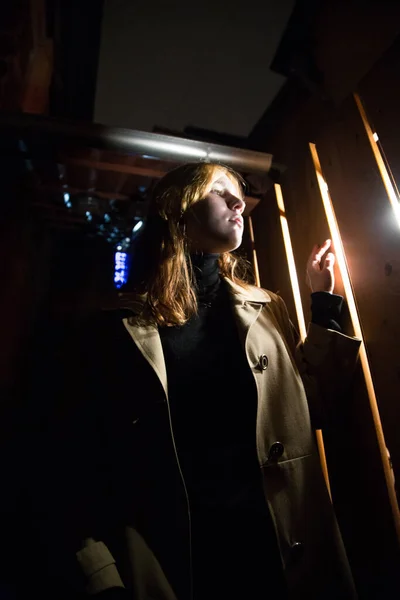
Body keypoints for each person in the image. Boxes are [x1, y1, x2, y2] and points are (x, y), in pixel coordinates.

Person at [4, 162, 360, 600]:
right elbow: (72, 460)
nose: (238, 202)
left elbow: (310, 407)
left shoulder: (266, 308)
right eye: (218, 190)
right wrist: (102, 577)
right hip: (182, 561)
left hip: (276, 548)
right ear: (178, 209)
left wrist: (324, 305)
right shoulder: (115, 329)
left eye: (240, 193)